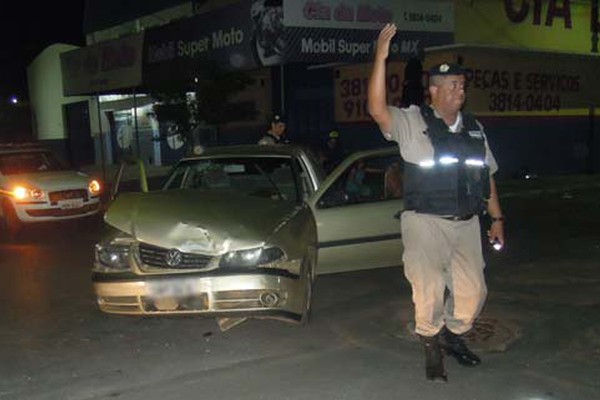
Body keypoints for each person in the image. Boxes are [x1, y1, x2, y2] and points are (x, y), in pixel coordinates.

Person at [367, 23, 505, 383]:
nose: (461, 90)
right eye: (453, 86)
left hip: (467, 222)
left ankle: (452, 333)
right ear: (434, 92)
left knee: (474, 291)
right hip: (425, 221)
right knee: (427, 289)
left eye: (462, 85)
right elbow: (377, 109)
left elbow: (486, 175)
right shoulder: (412, 122)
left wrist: (497, 217)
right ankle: (431, 343)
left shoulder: (474, 128)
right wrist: (381, 58)